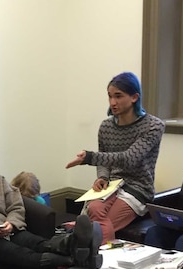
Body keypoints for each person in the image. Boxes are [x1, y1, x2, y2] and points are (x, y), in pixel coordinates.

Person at [0, 138, 102, 269]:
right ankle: (73, 260)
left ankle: (73, 243)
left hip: (8, 230)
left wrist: (11, 223)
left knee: (39, 243)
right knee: (22, 253)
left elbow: (16, 204)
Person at [65, 72, 166, 241]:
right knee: (95, 208)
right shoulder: (106, 126)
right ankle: (86, 249)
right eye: (110, 96)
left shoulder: (153, 126)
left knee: (96, 227)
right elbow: (104, 160)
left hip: (138, 187)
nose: (113, 102)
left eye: (118, 96)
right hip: (111, 185)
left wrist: (89, 158)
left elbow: (128, 159)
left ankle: (96, 258)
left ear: (134, 97)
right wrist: (102, 177)